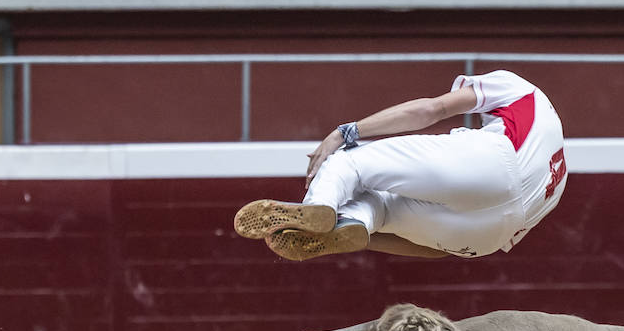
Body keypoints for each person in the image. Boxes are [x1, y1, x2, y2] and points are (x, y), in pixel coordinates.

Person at [233, 69, 568, 260]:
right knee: (381, 209)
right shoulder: (559, 175)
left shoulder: (520, 88)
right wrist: (368, 237)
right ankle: (354, 223)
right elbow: (437, 252)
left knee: (350, 161)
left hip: (497, 163)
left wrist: (344, 132)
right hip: (487, 239)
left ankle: (320, 206)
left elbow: (431, 110)